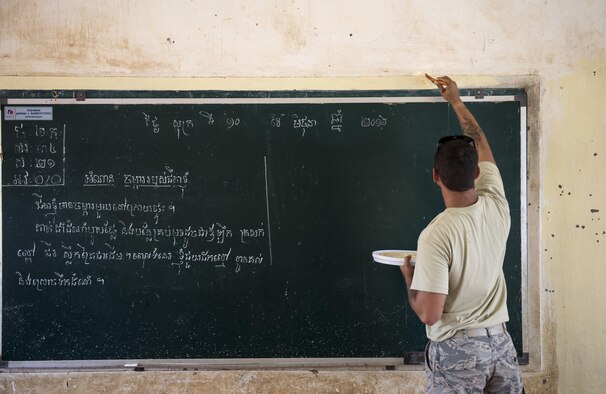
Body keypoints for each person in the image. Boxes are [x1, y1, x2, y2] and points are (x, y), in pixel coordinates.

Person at [400, 76, 524, 393]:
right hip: (501, 346)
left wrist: (410, 279)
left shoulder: (436, 235)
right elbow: (480, 142)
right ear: (478, 173)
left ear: (435, 176)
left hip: (459, 353)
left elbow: (430, 313)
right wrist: (456, 100)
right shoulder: (497, 204)